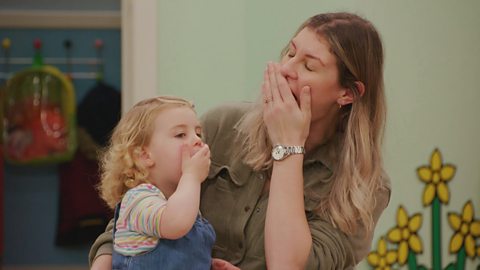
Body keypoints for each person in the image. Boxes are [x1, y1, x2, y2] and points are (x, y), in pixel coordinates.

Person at [90, 12, 391, 269]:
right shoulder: (221, 126)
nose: (286, 69)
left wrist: (288, 148)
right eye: (290, 52)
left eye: (309, 66)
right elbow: (132, 217)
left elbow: (289, 265)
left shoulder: (364, 188)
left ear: (348, 94)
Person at [97, 96, 215, 269]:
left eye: (198, 133)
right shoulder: (138, 200)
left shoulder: (183, 201)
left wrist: (206, 263)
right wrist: (191, 176)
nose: (198, 140)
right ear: (144, 155)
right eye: (181, 134)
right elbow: (175, 224)